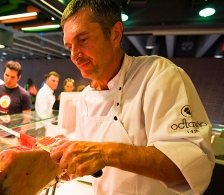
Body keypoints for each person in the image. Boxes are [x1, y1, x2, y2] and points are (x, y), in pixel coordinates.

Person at [49, 1, 215, 194]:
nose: (74, 55)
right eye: (69, 46)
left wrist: (104, 153)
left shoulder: (158, 75)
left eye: (83, 40)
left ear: (115, 34)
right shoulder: (85, 97)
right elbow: (90, 160)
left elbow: (187, 168)